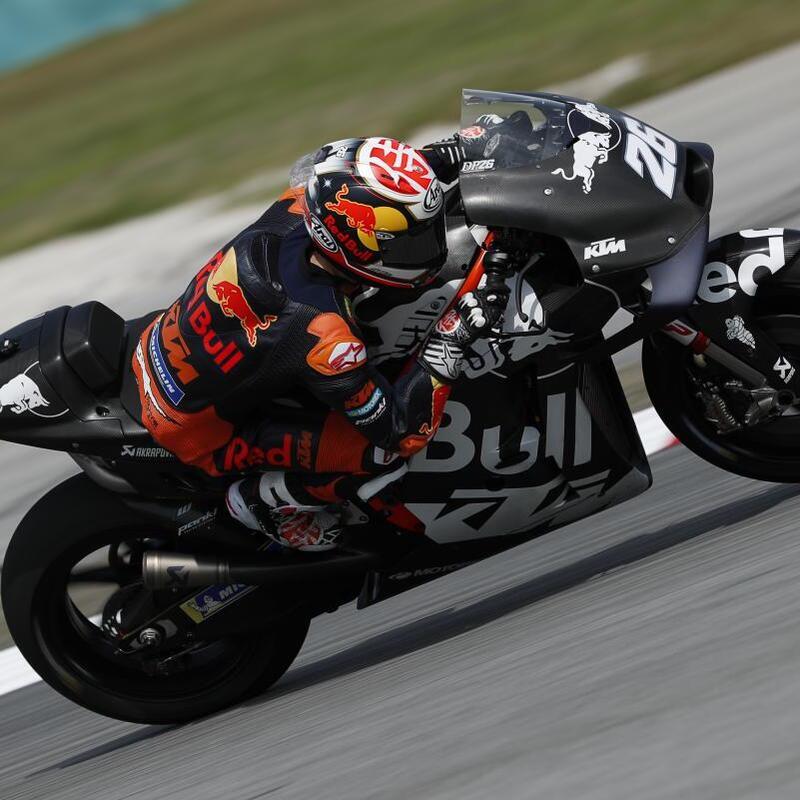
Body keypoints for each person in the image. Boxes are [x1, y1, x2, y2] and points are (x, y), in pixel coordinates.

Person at [132, 135, 510, 551]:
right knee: (381, 455)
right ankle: (258, 502)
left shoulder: (299, 206)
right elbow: (399, 430)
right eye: (409, 242)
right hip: (200, 431)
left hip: (166, 348)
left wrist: (456, 150)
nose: (427, 248)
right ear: (353, 246)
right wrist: (452, 335)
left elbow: (362, 186)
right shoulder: (324, 332)